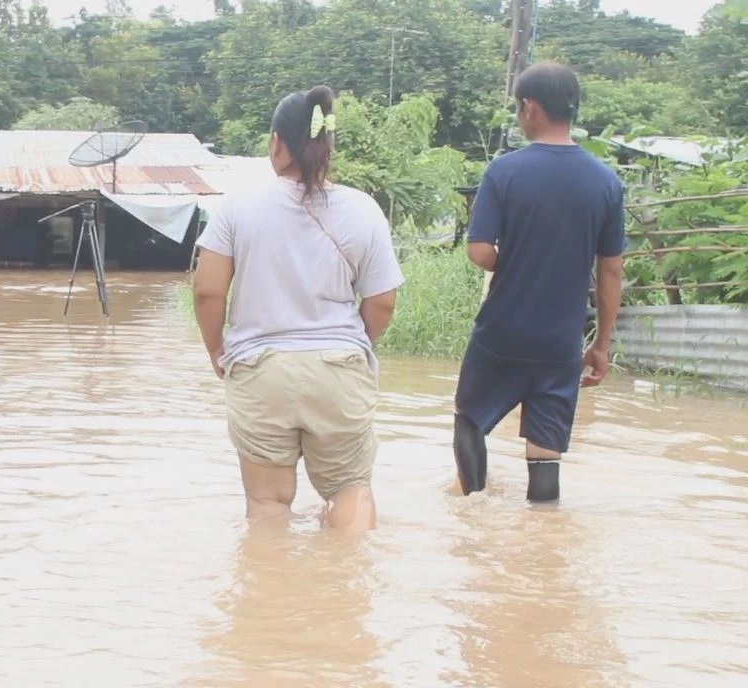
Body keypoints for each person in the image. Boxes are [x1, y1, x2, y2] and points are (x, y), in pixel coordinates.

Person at [192, 85, 405, 533]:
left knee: (268, 504)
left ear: (275, 142)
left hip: (259, 369)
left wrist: (217, 351)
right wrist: (350, 348)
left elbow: (208, 291)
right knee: (350, 487)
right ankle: (349, 584)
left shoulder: (237, 207)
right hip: (339, 367)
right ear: (329, 145)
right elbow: (383, 300)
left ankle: (270, 595)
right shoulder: (364, 210)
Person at [453, 61, 625, 503]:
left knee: (470, 419)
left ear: (529, 107)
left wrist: (513, 258)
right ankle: (544, 541)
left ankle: (472, 513)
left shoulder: (504, 172)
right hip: (561, 342)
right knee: (546, 452)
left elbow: (478, 251)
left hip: (502, 333)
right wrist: (601, 344)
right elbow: (611, 271)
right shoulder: (606, 181)